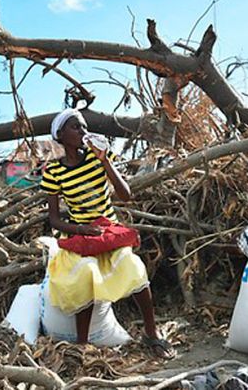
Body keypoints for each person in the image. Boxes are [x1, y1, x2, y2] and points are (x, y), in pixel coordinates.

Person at [40, 108, 175, 359]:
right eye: (76, 127)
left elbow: (125, 195)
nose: (83, 131)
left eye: (84, 126)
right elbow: (54, 219)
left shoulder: (98, 157)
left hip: (109, 231)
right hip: (81, 235)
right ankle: (82, 345)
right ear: (60, 135)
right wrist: (81, 229)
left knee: (134, 267)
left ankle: (151, 333)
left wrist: (105, 161)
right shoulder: (54, 171)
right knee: (85, 273)